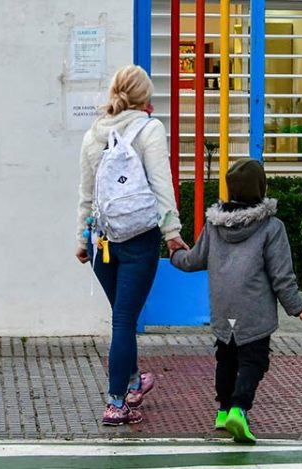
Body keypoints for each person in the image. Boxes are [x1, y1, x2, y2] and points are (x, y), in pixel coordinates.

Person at [170, 159, 302, 443]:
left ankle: (223, 412)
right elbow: (281, 275)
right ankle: (239, 407)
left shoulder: (214, 225)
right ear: (261, 188)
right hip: (254, 310)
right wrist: (297, 307)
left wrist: (175, 255)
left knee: (226, 357)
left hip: (223, 307)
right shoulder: (272, 228)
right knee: (254, 360)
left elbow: (195, 260)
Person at [75, 64, 187, 426]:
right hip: (139, 238)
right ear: (145, 97)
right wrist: (172, 233)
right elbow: (161, 185)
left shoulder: (93, 134)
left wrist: (81, 237)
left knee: (122, 317)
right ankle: (116, 402)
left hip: (101, 241)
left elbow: (86, 193)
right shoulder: (150, 129)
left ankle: (135, 381)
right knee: (124, 320)